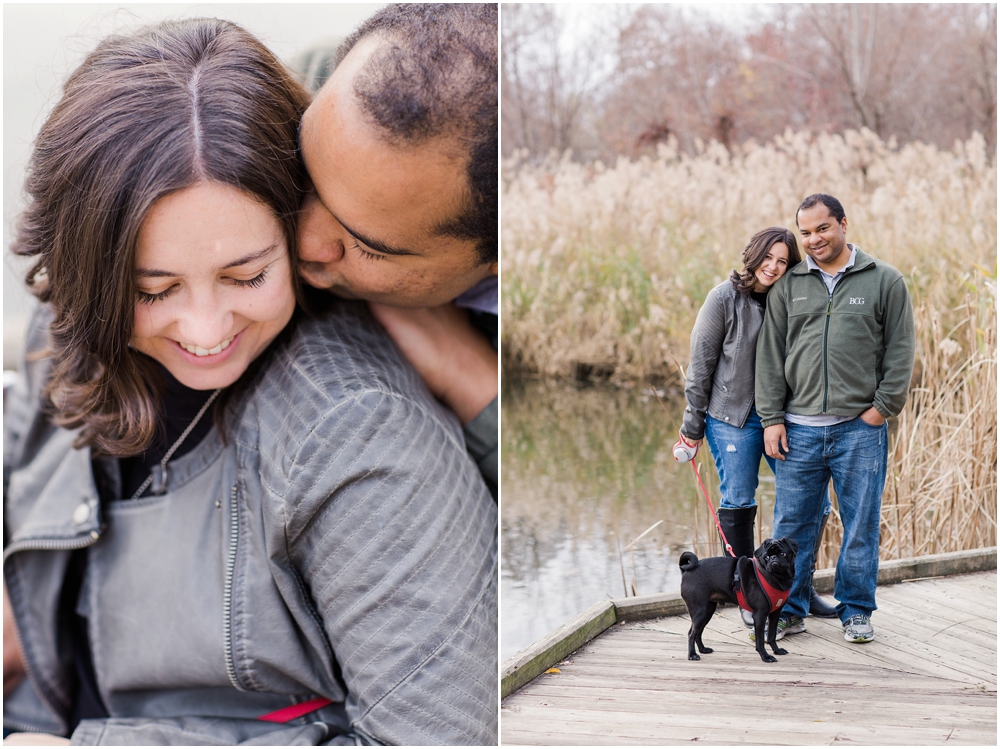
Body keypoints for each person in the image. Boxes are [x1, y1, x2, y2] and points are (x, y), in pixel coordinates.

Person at [3, 18, 496, 745]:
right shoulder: (69, 323)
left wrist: (470, 381)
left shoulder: (356, 431)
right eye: (153, 288)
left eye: (246, 273)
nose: (205, 331)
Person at [295, 4, 499, 500]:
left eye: (366, 244)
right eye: (302, 169)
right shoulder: (303, 86)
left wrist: (471, 379)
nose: (302, 241)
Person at [756, 193, 915, 644]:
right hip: (798, 431)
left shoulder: (885, 281)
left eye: (822, 228)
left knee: (860, 525)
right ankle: (789, 610)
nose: (813, 240)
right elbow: (769, 358)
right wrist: (771, 418)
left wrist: (882, 408)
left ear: (843, 224)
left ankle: (857, 611)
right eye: (804, 232)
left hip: (858, 431)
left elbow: (901, 352)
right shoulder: (790, 285)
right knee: (791, 529)